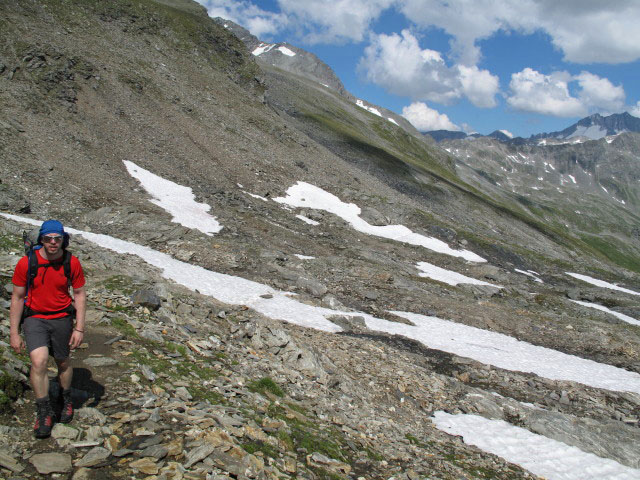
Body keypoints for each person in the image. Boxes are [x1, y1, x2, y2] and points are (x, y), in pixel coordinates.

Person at [9, 220, 86, 439]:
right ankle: (44, 410)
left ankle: (65, 397)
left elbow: (79, 294)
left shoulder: (71, 262)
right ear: (41, 239)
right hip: (34, 317)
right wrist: (14, 332)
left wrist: (79, 328)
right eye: (48, 238)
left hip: (62, 317)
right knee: (39, 360)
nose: (53, 243)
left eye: (57, 239)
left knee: (62, 360)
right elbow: (17, 296)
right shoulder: (27, 263)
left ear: (63, 240)